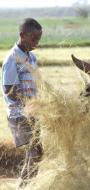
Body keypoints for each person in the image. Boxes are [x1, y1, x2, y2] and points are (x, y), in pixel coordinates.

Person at [1, 18, 43, 188]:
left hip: (32, 112)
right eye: (34, 39)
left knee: (34, 153)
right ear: (22, 35)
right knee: (35, 152)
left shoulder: (31, 57)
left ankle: (24, 185)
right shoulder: (12, 58)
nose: (36, 43)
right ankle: (24, 186)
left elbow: (34, 84)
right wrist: (29, 102)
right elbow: (9, 90)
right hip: (19, 115)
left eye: (38, 39)